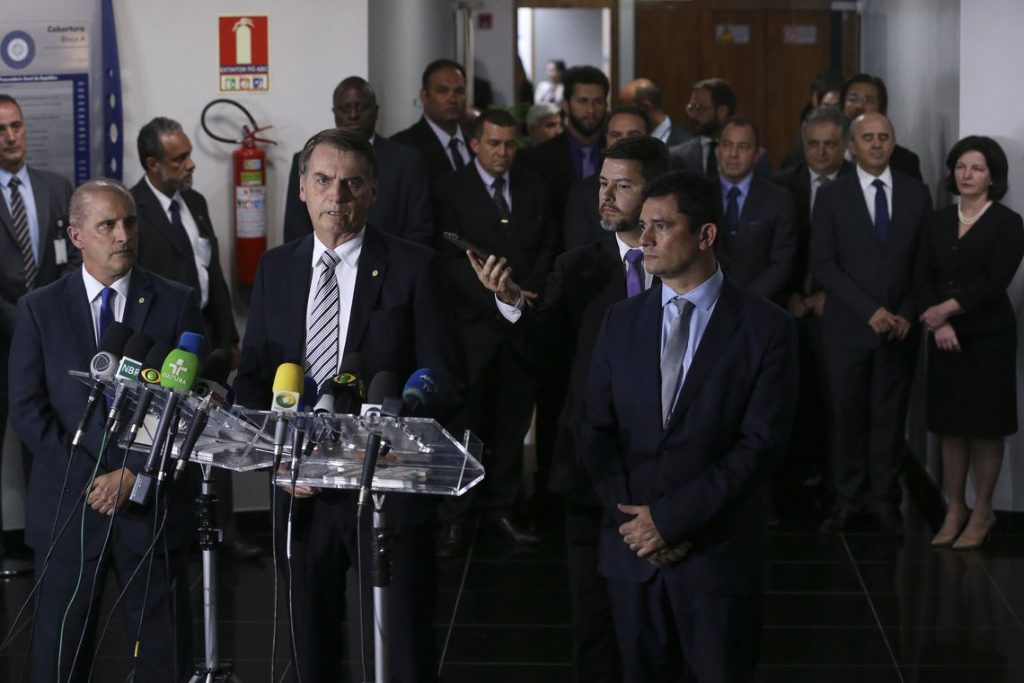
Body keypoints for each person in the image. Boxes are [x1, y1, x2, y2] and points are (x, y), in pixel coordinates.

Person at [234, 129, 464, 683]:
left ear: (373, 193)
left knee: (401, 645)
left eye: (352, 183)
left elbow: (447, 378)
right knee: (311, 644)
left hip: (386, 490)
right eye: (323, 181)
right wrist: (275, 457)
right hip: (300, 491)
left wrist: (401, 443)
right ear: (302, 190)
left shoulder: (415, 267)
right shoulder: (277, 268)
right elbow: (254, 378)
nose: (336, 196)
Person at [581, 170, 798, 681]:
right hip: (632, 554)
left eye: (661, 225)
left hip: (717, 557)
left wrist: (671, 522)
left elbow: (760, 446)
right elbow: (594, 431)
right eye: (643, 226)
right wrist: (642, 528)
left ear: (705, 235)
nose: (645, 239)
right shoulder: (619, 320)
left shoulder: (768, 328)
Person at [470, 135, 672, 683]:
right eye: (602, 183)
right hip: (590, 468)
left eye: (621, 186)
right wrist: (512, 305)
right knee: (594, 621)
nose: (605, 196)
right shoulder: (578, 266)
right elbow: (543, 350)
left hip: (668, 467)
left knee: (661, 625)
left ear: (654, 192)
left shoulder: (685, 266)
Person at [9, 179, 203, 683]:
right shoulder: (40, 308)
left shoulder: (176, 301)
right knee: (59, 658)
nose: (123, 235)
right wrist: (94, 478)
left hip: (150, 506)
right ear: (76, 236)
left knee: (164, 656)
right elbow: (28, 410)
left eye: (130, 223)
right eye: (107, 225)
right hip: (70, 507)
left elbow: (184, 405)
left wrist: (133, 476)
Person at [131, 117, 258, 559]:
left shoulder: (195, 202)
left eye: (188, 155)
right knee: (166, 438)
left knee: (216, 433)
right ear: (152, 164)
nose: (190, 165)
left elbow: (212, 272)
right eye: (178, 159)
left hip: (207, 336)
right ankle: (178, 533)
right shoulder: (133, 209)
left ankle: (223, 531)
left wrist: (230, 336)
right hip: (165, 346)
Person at [433, 109, 559, 554]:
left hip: (522, 326)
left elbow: (548, 246)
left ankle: (503, 510)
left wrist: (522, 295)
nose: (503, 152)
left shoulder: (534, 187)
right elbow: (448, 260)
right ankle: (456, 517)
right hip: (472, 330)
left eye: (509, 144)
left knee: (511, 423)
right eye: (493, 143)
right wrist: (498, 296)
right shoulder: (450, 190)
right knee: (463, 427)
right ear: (474, 144)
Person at [811, 112, 932, 535]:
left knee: (890, 417)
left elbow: (924, 263)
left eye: (884, 137)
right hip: (847, 327)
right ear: (852, 146)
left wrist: (907, 312)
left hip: (900, 327)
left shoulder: (917, 193)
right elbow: (824, 265)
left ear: (893, 143)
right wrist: (870, 311)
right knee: (846, 416)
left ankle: (884, 500)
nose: (877, 144)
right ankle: (847, 500)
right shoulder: (831, 195)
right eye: (868, 138)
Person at [916, 136, 1024, 549]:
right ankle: (955, 508)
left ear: (992, 176)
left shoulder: (1007, 222)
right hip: (944, 337)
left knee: (984, 428)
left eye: (977, 168)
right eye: (961, 166)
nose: (967, 175)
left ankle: (983, 512)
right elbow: (921, 274)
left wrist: (946, 310)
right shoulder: (937, 220)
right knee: (950, 427)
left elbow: (995, 281)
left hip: (989, 339)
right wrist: (939, 322)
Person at [0, 93, 76, 576]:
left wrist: (47, 321)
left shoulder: (56, 187)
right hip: (2, 337)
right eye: (1, 129)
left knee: (47, 442)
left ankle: (51, 544)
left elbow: (70, 261)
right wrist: (26, 319)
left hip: (53, 344)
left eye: (17, 126)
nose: (11, 137)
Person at [772, 107, 854, 501]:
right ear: (802, 143)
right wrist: (790, 293)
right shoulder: (781, 184)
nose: (821, 152)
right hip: (787, 303)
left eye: (830, 144)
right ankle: (794, 475)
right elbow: (779, 249)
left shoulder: (858, 185)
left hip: (839, 308)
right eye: (813, 144)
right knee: (791, 392)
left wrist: (829, 294)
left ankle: (835, 480)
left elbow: (860, 255)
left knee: (836, 399)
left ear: (845, 146)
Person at [283, 76, 433, 246]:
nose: (354, 115)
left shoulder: (408, 161)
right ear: (335, 112)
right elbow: (296, 234)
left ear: (376, 111)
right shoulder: (306, 159)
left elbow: (419, 233)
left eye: (362, 107)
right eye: (346, 108)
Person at [713, 116, 796, 303]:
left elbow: (782, 264)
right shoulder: (700, 195)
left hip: (759, 305)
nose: (733, 154)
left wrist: (746, 300)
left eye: (743, 147)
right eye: (727, 145)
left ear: (757, 155)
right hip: (707, 305)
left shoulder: (779, 199)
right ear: (718, 150)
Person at [518, 65, 609, 219]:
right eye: (583, 101)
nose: (591, 110)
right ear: (565, 105)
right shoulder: (536, 159)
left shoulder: (616, 154)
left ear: (606, 105)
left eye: (598, 102)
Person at [563, 104, 651, 250]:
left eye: (633, 135)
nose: (624, 141)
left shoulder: (666, 191)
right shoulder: (582, 192)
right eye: (616, 135)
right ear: (606, 139)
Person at [669, 77, 771, 178]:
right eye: (691, 108)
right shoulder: (676, 156)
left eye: (700, 108)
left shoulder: (757, 157)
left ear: (722, 111)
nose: (693, 115)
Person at [391, 59, 472, 182]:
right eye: (443, 91)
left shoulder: (477, 144)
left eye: (459, 92)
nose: (453, 99)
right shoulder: (402, 147)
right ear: (424, 96)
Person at [839, 73, 923, 181]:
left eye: (868, 100)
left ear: (882, 109)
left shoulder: (905, 162)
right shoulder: (827, 152)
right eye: (852, 99)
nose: (859, 106)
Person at [620, 77, 692, 146]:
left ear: (646, 107)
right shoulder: (627, 141)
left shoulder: (686, 143)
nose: (624, 117)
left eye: (628, 110)